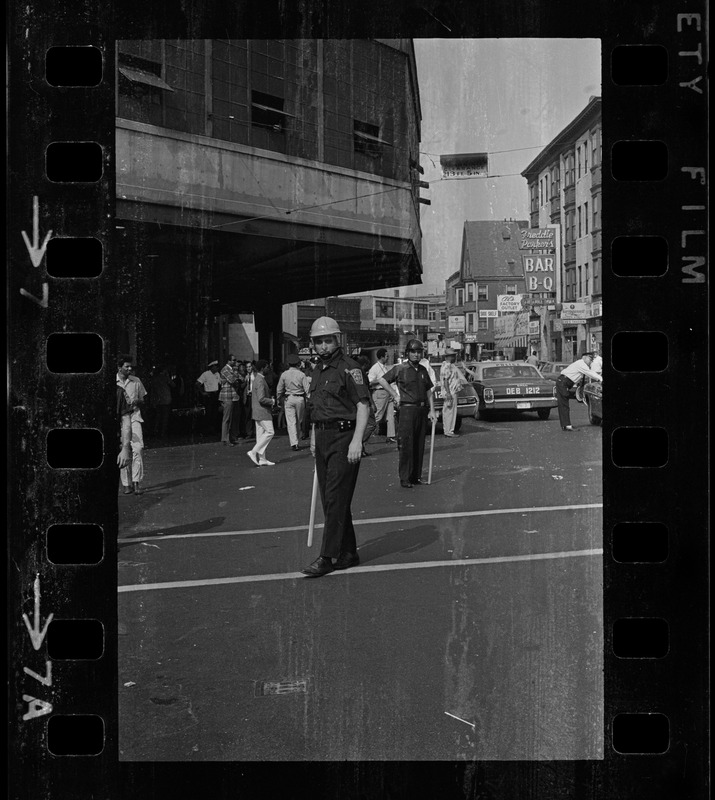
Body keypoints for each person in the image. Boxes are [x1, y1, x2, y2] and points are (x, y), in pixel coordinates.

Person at [301, 317, 370, 578]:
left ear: (337, 339)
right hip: (323, 437)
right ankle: (348, 551)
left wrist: (357, 440)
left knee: (334, 498)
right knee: (334, 499)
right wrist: (314, 437)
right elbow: (317, 408)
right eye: (318, 341)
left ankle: (327, 556)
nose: (322, 345)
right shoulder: (317, 371)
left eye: (327, 340)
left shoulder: (350, 368)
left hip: (344, 438)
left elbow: (363, 405)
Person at [378, 339, 438, 488]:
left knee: (419, 444)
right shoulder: (400, 368)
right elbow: (382, 380)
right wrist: (395, 395)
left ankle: (416, 476)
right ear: (408, 353)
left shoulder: (423, 370)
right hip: (407, 410)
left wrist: (432, 410)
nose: (416, 355)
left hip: (421, 410)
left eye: (419, 352)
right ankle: (405, 478)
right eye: (413, 352)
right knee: (406, 444)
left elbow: (429, 391)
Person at [116, 355, 147, 495]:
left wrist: (135, 403)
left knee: (138, 448)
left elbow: (143, 400)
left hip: (134, 418)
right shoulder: (113, 382)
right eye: (126, 366)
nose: (129, 369)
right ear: (119, 367)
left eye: (130, 367)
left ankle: (136, 482)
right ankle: (126, 483)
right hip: (119, 421)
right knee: (123, 449)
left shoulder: (136, 381)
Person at [555, 352, 603, 431]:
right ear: (585, 357)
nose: (591, 362)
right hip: (564, 383)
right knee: (564, 405)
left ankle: (565, 425)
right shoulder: (581, 364)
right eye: (590, 359)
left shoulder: (580, 364)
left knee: (563, 404)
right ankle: (567, 426)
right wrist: (601, 378)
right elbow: (590, 373)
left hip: (563, 382)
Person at [276, 354, 310, 451]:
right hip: (300, 399)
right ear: (298, 364)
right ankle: (296, 441)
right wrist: (309, 399)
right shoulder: (301, 374)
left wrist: (278, 400)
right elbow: (307, 389)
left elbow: (279, 389)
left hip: (289, 398)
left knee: (291, 422)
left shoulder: (284, 374)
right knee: (299, 421)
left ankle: (294, 442)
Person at [246, 360, 276, 466]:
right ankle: (253, 452)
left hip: (257, 411)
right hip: (262, 411)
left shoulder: (258, 379)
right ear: (262, 368)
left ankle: (262, 459)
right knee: (270, 432)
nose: (268, 368)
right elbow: (261, 398)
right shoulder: (260, 380)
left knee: (260, 435)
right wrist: (272, 401)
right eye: (267, 367)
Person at [367, 348, 396, 444]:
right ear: (382, 357)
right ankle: (365, 435)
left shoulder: (385, 367)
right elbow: (370, 382)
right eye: (387, 356)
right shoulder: (374, 368)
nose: (388, 358)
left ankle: (391, 436)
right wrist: (379, 380)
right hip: (380, 393)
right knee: (378, 416)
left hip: (388, 392)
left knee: (390, 416)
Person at [439, 348, 465, 437]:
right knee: (449, 412)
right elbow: (445, 380)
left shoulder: (449, 365)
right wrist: (448, 392)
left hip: (451, 391)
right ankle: (449, 431)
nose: (455, 357)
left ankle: (449, 430)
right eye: (453, 356)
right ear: (449, 357)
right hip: (450, 392)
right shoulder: (447, 366)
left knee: (450, 412)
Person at [356, 354, 377, 456]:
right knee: (371, 424)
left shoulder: (354, 373)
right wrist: (372, 403)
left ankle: (361, 447)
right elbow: (366, 390)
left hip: (357, 402)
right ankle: (359, 441)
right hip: (365, 402)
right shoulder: (362, 375)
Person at [219, 355, 241, 446]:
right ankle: (225, 439)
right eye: (233, 360)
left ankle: (230, 438)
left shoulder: (231, 369)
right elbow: (233, 380)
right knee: (227, 418)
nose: (235, 362)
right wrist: (236, 376)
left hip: (232, 396)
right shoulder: (225, 369)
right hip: (227, 396)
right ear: (229, 361)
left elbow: (239, 379)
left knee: (231, 418)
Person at [195, 360, 221, 435]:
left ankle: (213, 430)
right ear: (212, 367)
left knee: (215, 413)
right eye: (216, 367)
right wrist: (202, 392)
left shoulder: (217, 374)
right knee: (208, 414)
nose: (217, 368)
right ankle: (206, 430)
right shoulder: (205, 374)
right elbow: (197, 383)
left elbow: (219, 383)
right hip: (209, 395)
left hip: (215, 395)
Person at [149, 365, 174, 438]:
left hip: (157, 399)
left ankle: (156, 431)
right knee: (165, 417)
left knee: (158, 416)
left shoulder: (154, 379)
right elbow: (173, 385)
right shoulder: (165, 377)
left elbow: (152, 390)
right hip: (166, 399)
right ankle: (163, 432)